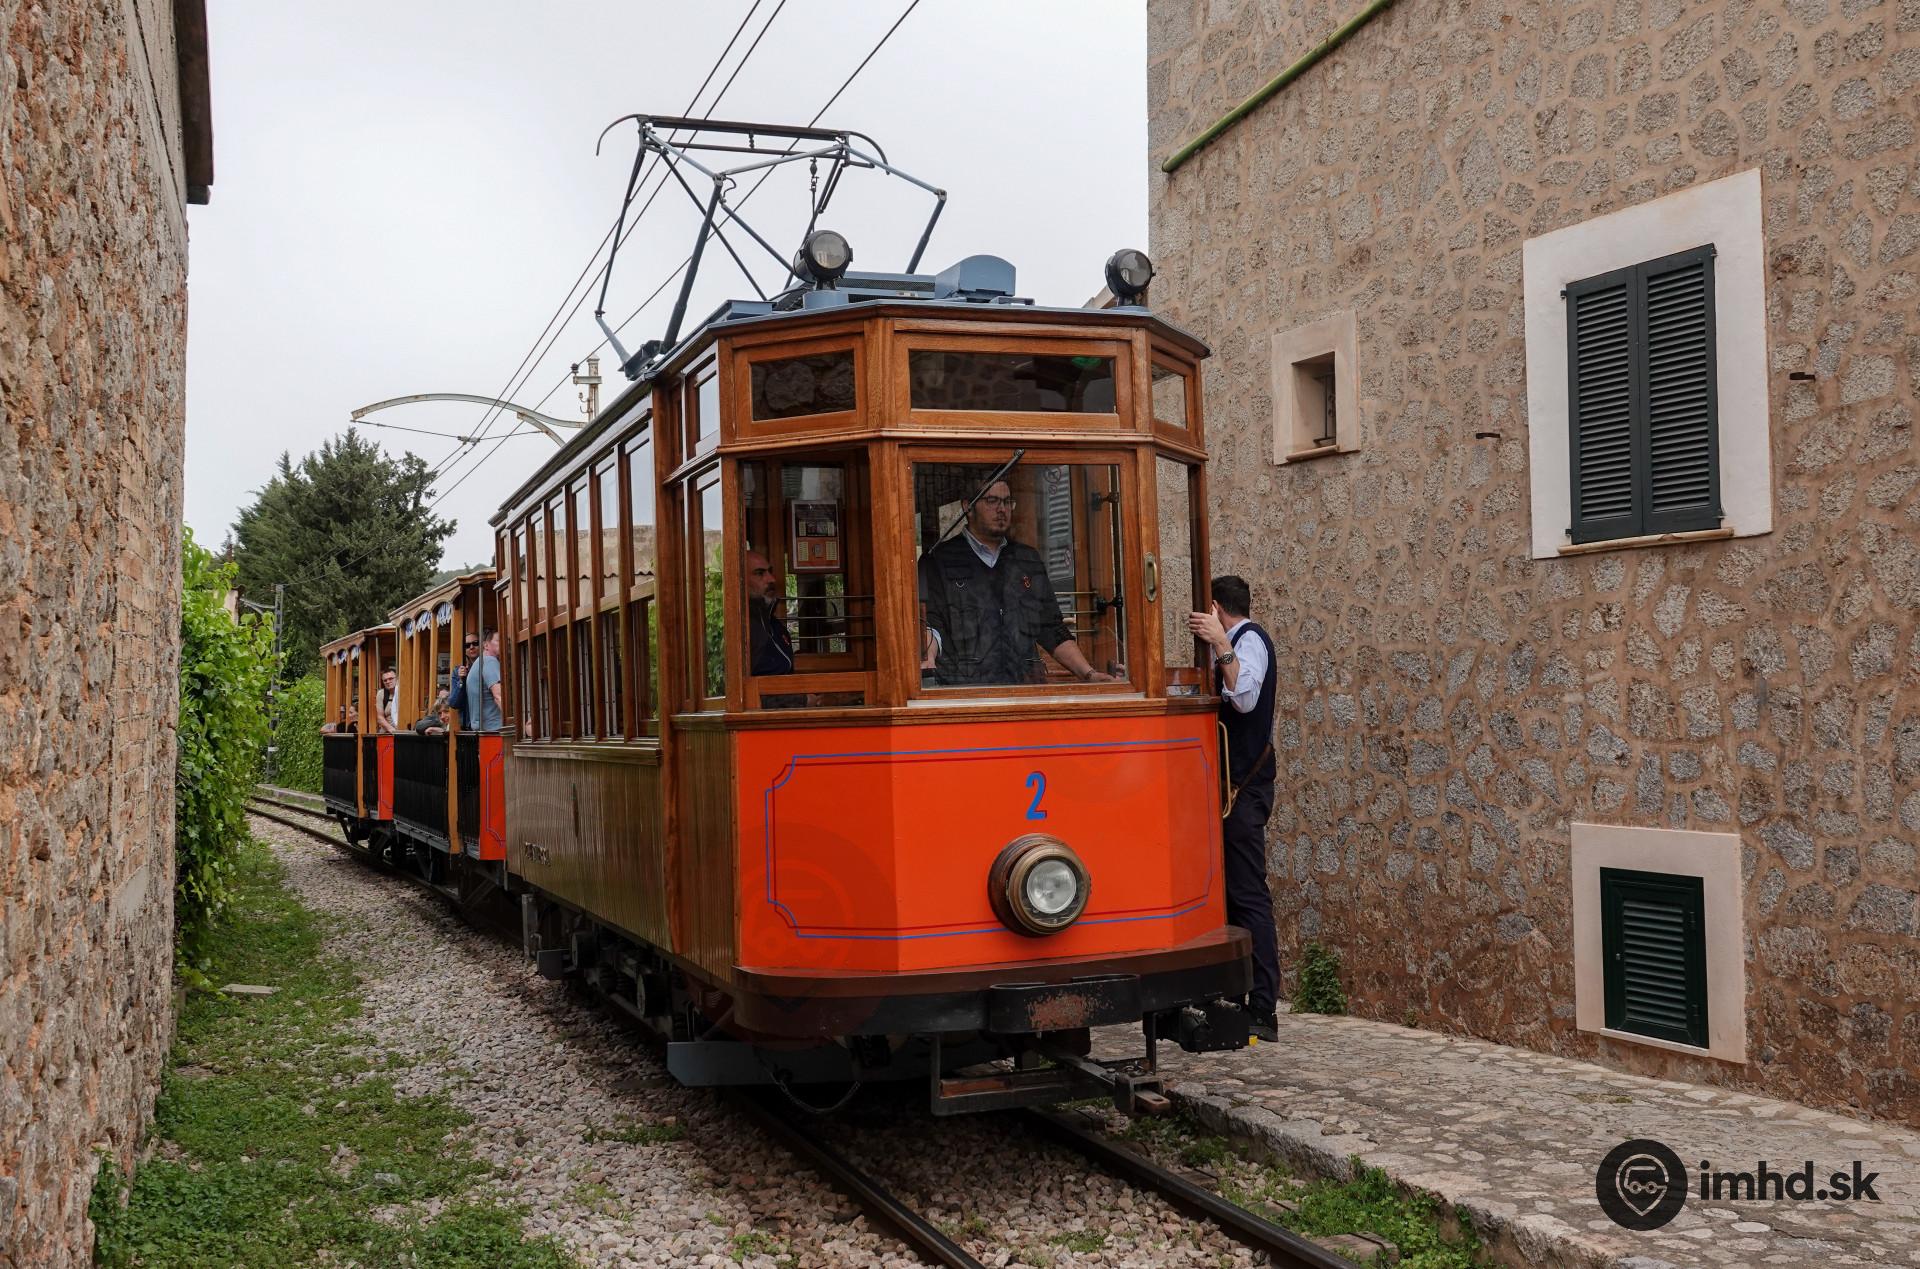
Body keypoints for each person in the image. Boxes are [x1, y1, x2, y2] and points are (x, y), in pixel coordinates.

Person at [1188, 575, 1279, 1044]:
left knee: (1248, 893)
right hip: (1227, 790)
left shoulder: (1251, 642)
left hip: (1244, 789)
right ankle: (1235, 997)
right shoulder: (1232, 645)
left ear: (1215, 608)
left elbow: (1243, 699)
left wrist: (1221, 642)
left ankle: (1263, 1006)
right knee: (1230, 895)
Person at [916, 477, 1115, 686]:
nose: (1002, 509)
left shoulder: (1027, 560)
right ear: (968, 506)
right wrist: (927, 658)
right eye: (992, 501)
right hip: (965, 694)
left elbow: (1052, 627)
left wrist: (1089, 674)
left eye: (1007, 501)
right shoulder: (938, 560)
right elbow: (930, 626)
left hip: (1022, 691)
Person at [743, 551, 795, 677]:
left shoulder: (776, 626)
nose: (772, 579)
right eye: (759, 573)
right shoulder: (740, 629)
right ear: (740, 580)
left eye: (770, 572)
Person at [464, 629, 503, 732]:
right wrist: (514, 722)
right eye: (499, 640)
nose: (504, 643)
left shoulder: (479, 662)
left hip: (483, 728)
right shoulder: (490, 661)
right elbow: (499, 696)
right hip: (495, 728)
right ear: (486, 645)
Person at [448, 632, 482, 729]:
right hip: (468, 726)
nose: (471, 647)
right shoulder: (458, 671)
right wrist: (461, 680)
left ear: (482, 645)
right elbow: (454, 703)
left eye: (475, 643)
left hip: (487, 723)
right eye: (467, 645)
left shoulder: (488, 666)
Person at [375, 667, 399, 733]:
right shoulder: (381, 694)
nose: (388, 682)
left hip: (404, 730)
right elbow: (380, 717)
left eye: (391, 679)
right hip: (387, 732)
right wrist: (393, 731)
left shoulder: (403, 692)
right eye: (385, 680)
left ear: (397, 679)